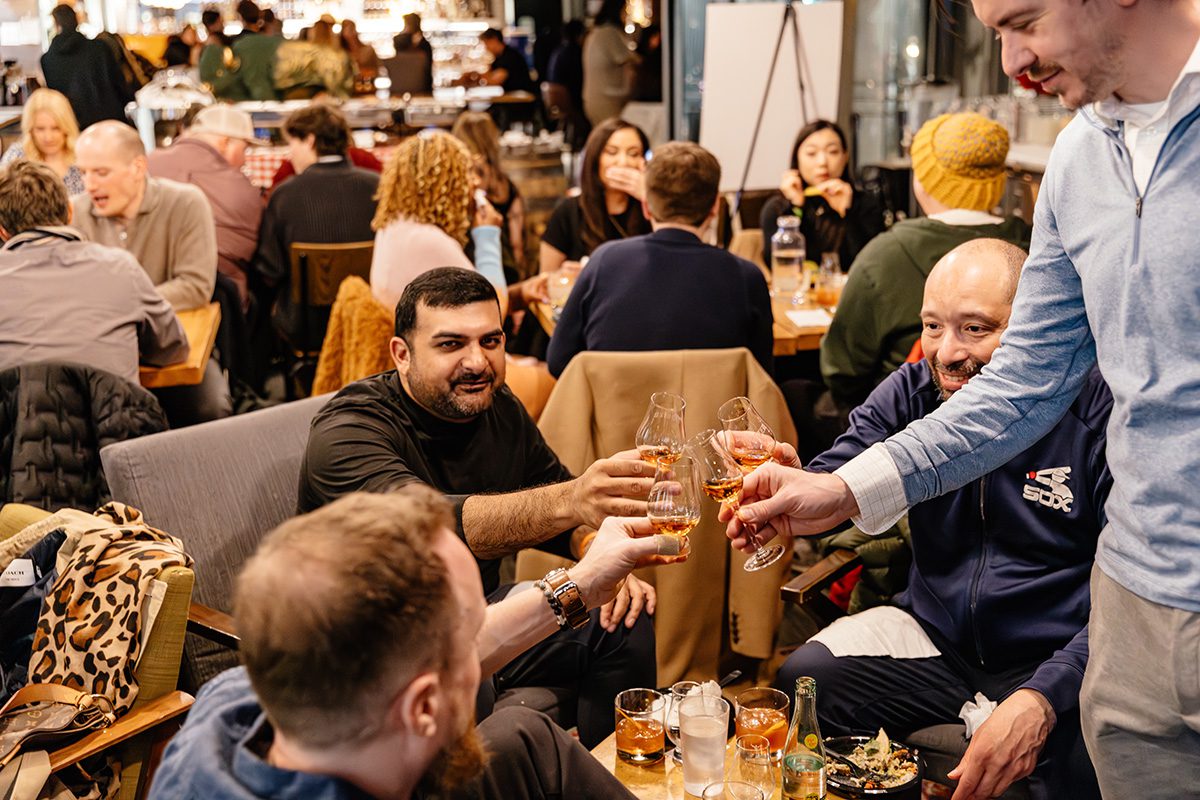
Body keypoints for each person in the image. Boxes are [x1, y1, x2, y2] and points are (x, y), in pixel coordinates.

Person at [727, 2, 1200, 797]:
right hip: (1132, 606)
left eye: (1025, 20)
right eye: (994, 32)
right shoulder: (1080, 155)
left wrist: (1042, 694)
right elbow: (1023, 383)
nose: (1011, 62)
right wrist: (836, 490)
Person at [774, 238, 1105, 799]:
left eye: (975, 328)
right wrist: (792, 481)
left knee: (1070, 767)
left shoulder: (1096, 409)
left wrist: (1044, 696)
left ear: (1036, 324)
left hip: (1057, 652)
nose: (947, 353)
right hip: (939, 636)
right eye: (932, 326)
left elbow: (1129, 602)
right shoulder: (914, 391)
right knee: (805, 684)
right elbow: (840, 474)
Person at [299, 267, 659, 748]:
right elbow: (432, 526)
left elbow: (555, 505)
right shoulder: (347, 431)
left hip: (479, 616)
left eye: (490, 341)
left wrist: (595, 549)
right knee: (473, 691)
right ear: (402, 354)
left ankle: (616, 774)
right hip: (377, 648)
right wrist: (573, 499)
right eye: (451, 344)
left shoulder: (497, 407)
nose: (477, 362)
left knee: (623, 617)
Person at [150, 487, 676, 799]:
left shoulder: (233, 703)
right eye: (471, 630)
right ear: (423, 707)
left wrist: (580, 585)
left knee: (521, 736)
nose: (482, 642)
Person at [820, 112, 1031, 415]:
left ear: (924, 181)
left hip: (902, 420)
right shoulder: (1037, 249)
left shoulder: (884, 254)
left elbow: (841, 370)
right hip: (1020, 416)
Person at [547, 141, 773, 378]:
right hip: (713, 403)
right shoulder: (746, 277)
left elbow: (558, 361)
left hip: (617, 402)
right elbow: (760, 376)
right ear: (715, 206)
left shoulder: (604, 261)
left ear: (646, 207)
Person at [71, 120, 231, 425]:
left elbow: (195, 286)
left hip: (171, 348)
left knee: (211, 410)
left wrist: (119, 306)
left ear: (137, 167)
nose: (89, 185)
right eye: (83, 173)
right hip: (101, 352)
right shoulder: (74, 211)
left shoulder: (185, 202)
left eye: (101, 173)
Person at [0, 159, 186, 385]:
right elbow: (172, 348)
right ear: (70, 212)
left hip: (18, 407)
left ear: (2, 231)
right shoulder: (120, 267)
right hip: (112, 406)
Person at [255, 104, 379, 354]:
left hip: (305, 326)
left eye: (292, 143)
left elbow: (270, 269)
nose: (290, 154)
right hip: (370, 317)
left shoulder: (285, 194)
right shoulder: (379, 186)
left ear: (310, 140)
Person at [147, 104, 266, 314]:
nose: (244, 159)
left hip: (148, 291)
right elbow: (252, 250)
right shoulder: (238, 185)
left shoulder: (148, 162)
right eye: (244, 149)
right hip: (218, 302)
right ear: (225, 142)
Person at [759, 119, 885, 272]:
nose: (822, 162)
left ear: (845, 157)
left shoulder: (866, 204)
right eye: (811, 153)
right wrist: (796, 207)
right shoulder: (778, 208)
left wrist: (847, 212)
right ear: (797, 158)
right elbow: (778, 266)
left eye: (832, 152)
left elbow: (873, 264)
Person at [539, 118, 650, 271]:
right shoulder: (569, 211)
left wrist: (649, 197)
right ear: (595, 158)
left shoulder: (653, 211)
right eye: (612, 152)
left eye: (634, 154)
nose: (623, 162)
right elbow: (546, 278)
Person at [451, 111, 526, 274]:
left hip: (472, 268)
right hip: (504, 265)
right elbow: (517, 242)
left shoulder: (462, 181)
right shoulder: (505, 183)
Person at [39, 5, 135, 130]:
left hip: (75, 127)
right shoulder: (100, 48)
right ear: (76, 21)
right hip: (111, 122)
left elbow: (57, 100)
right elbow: (119, 84)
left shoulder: (47, 60)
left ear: (56, 25)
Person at [0, 88, 85, 196]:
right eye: (40, 129)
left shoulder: (83, 157)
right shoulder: (16, 157)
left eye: (56, 128)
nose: (48, 138)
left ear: (67, 128)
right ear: (30, 130)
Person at [582, 0, 634, 125]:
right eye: (626, 10)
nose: (627, 14)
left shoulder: (595, 32)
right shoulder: (609, 33)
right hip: (608, 100)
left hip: (592, 99)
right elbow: (630, 60)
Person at [459, 28, 537, 95]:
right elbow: (490, 77)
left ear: (494, 39)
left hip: (521, 100)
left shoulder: (509, 56)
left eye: (487, 43)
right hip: (512, 98)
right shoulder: (499, 57)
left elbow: (494, 81)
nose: (486, 48)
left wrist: (477, 75)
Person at [392, 13, 434, 94]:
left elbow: (427, 68)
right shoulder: (402, 42)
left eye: (406, 24)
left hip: (423, 88)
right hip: (402, 87)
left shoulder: (425, 44)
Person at [340, 19, 381, 86]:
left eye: (351, 29)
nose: (349, 32)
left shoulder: (368, 50)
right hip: (348, 87)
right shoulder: (341, 53)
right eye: (346, 29)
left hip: (367, 85)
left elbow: (376, 70)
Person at [630, 25, 662, 103]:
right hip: (643, 97)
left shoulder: (659, 57)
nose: (658, 39)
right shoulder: (641, 58)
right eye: (655, 36)